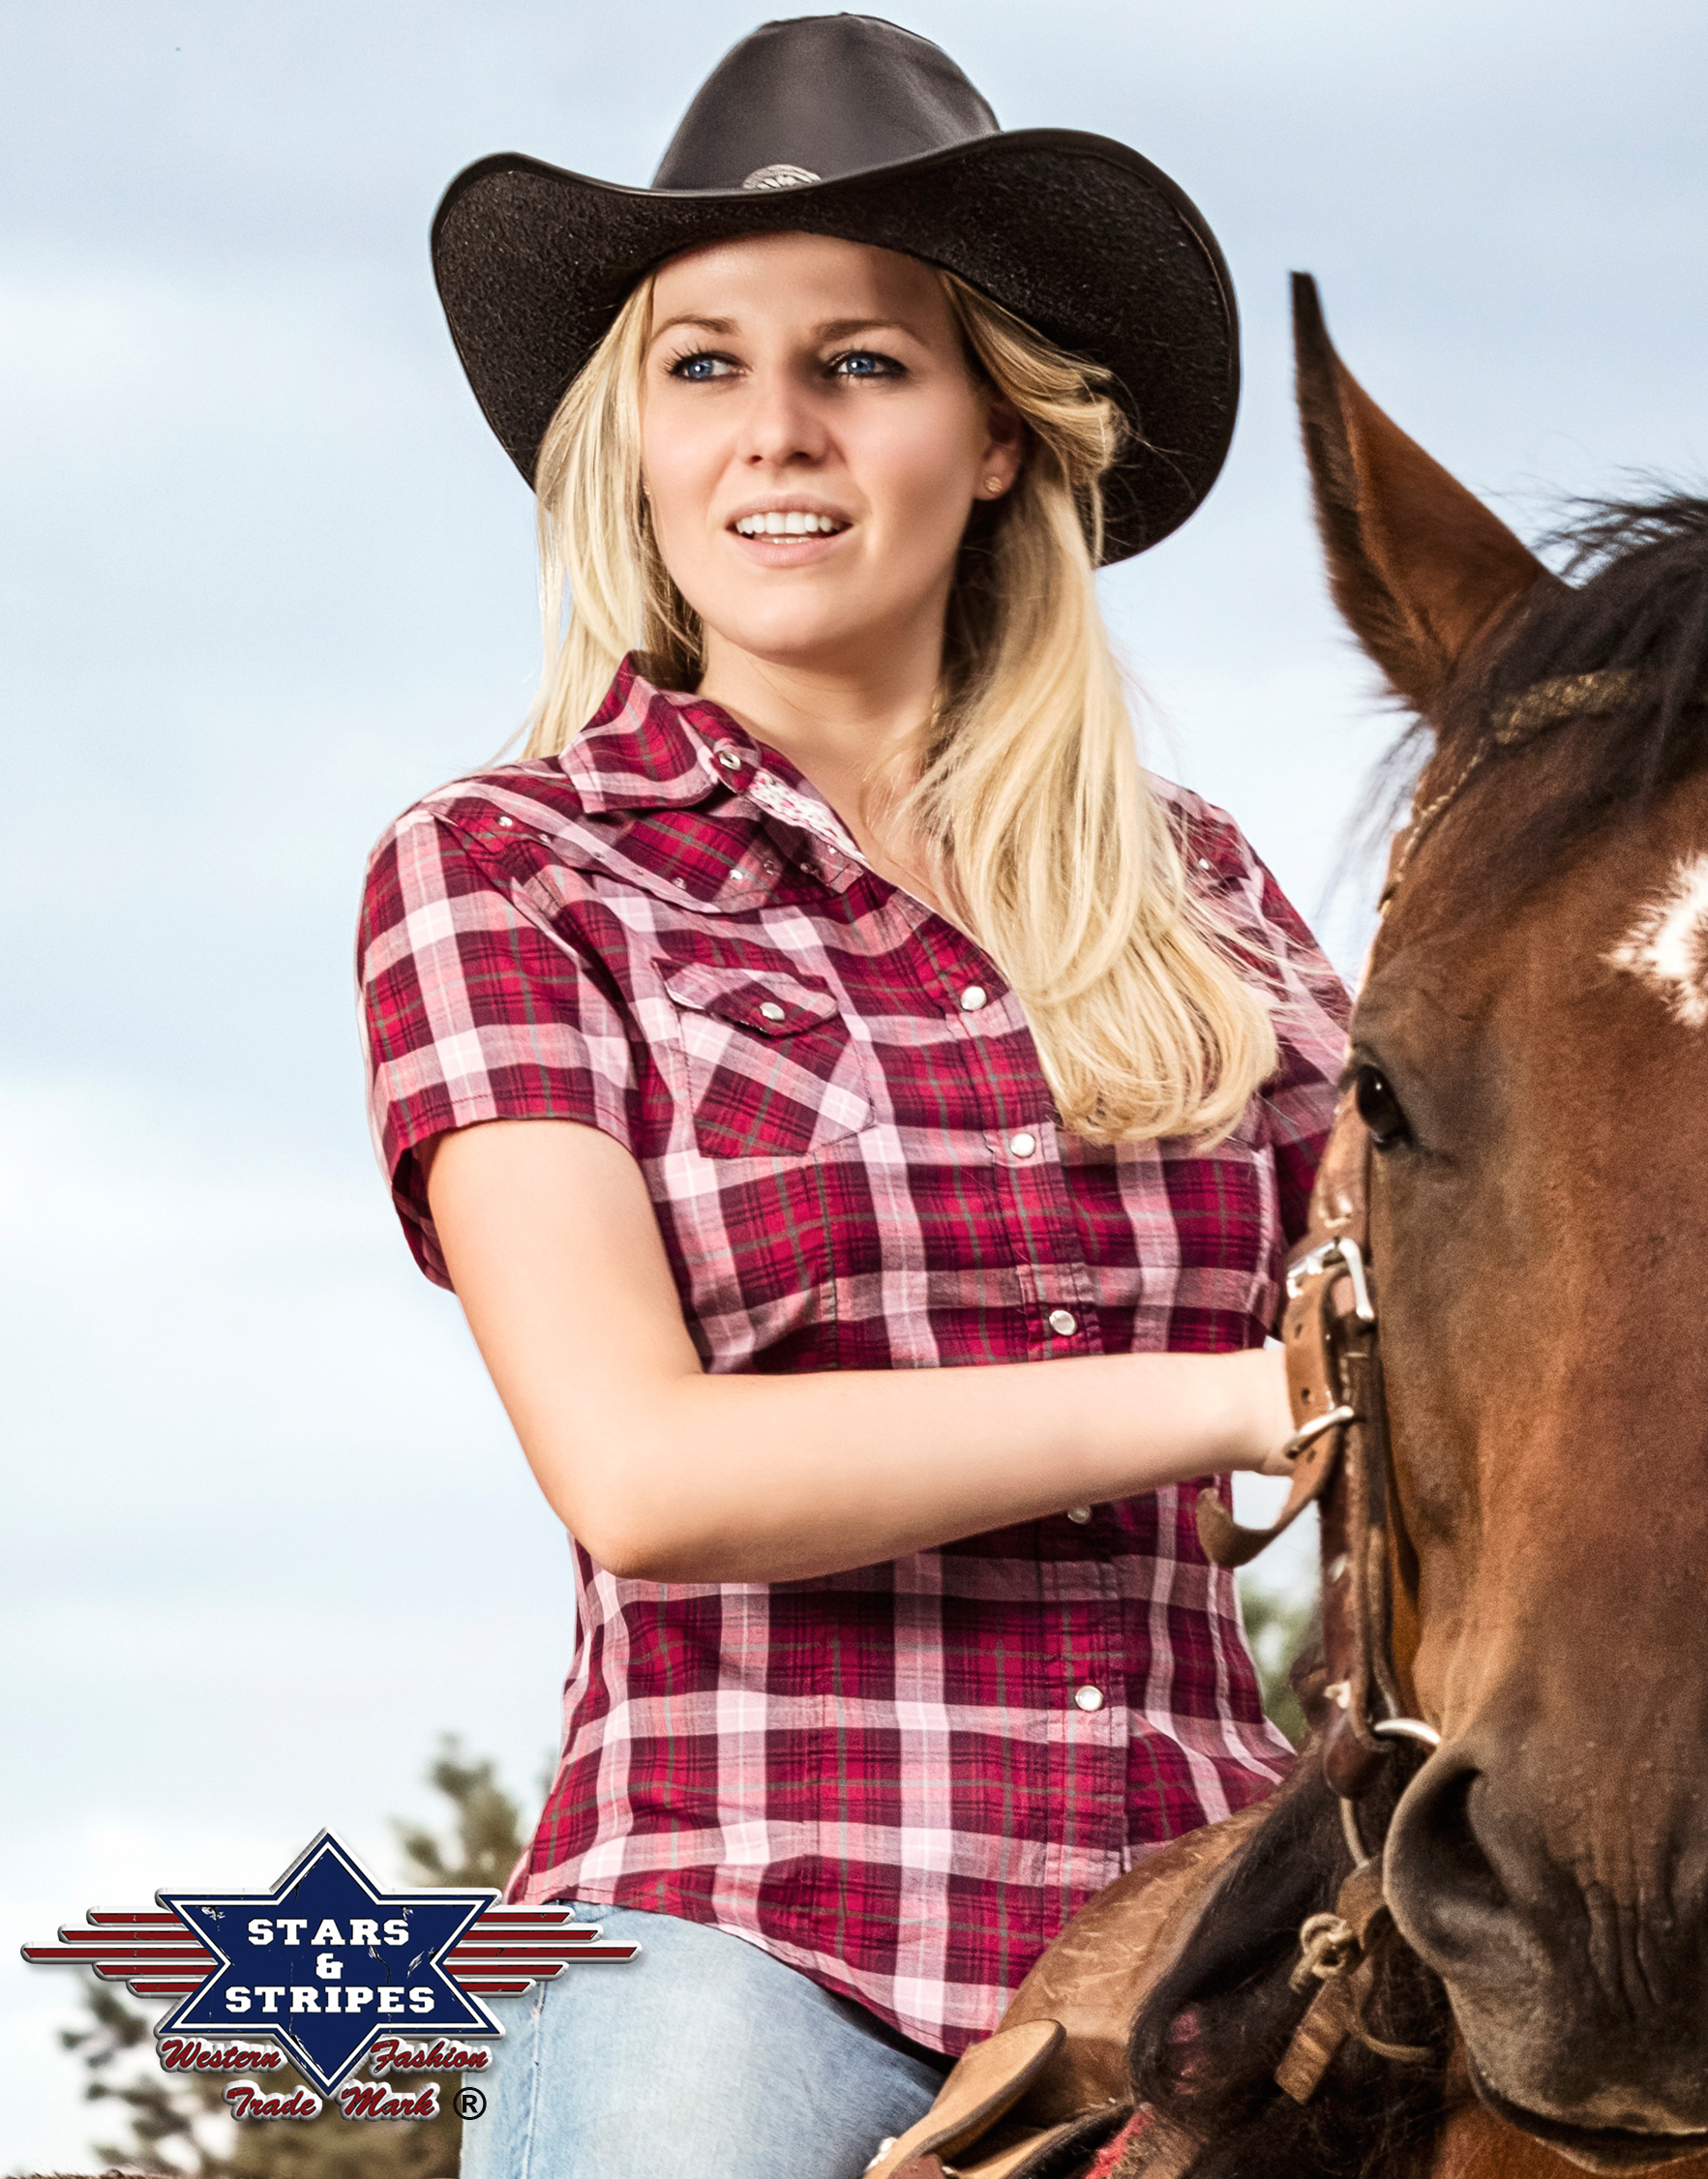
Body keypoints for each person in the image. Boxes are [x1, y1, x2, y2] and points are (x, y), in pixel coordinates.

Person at [357, 19, 1352, 2177]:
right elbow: (640, 1470)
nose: (774, 432)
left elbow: (1437, 1323)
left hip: (1204, 1919)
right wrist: (1232, 1399)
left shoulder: (1207, 901)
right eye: (703, 365)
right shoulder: (511, 871)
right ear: (631, 437)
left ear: (997, 436)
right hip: (738, 1929)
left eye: (864, 363)